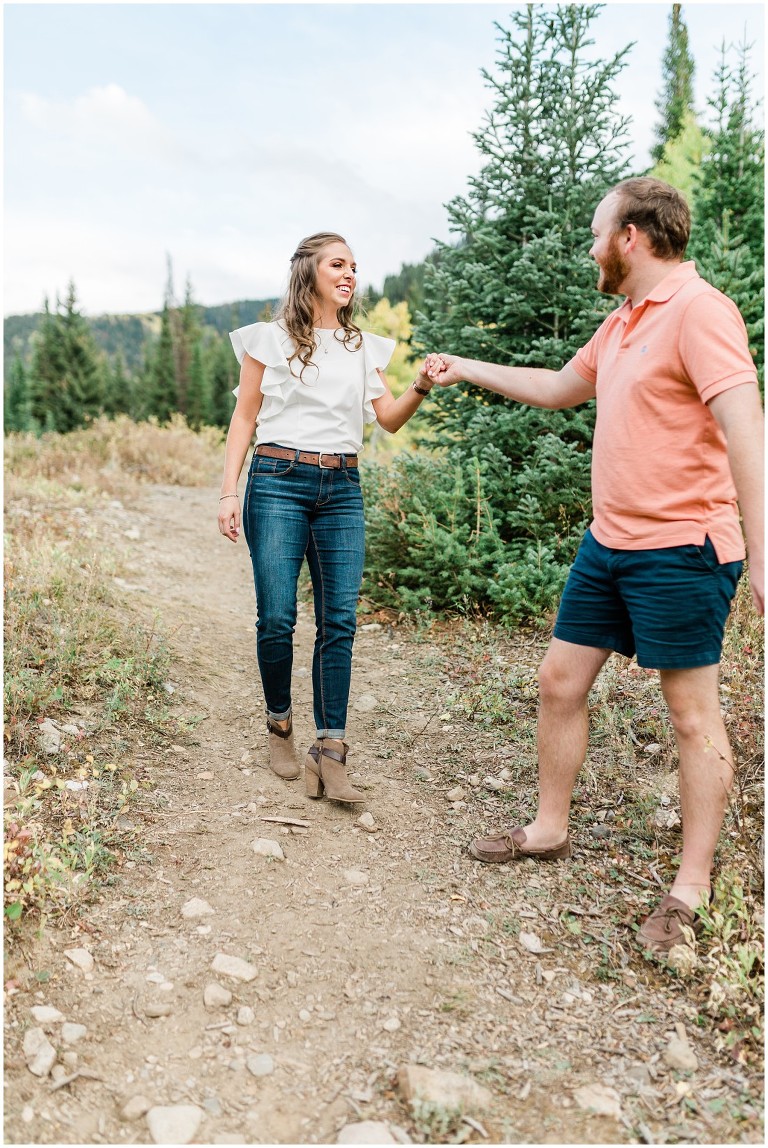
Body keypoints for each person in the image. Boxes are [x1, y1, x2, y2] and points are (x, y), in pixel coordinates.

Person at [424, 177, 764, 955]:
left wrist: (764, 555)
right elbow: (558, 388)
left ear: (630, 238)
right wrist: (466, 367)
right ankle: (549, 828)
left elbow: (747, 430)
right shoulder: (623, 321)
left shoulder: (700, 311)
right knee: (559, 681)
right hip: (608, 544)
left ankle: (690, 888)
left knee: (691, 717)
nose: (588, 247)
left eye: (596, 233)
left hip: (682, 549)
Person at [218, 232, 435, 803]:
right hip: (276, 481)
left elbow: (388, 419)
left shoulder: (361, 347)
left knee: (338, 621)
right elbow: (244, 418)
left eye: (354, 267)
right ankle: (279, 724)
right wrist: (228, 491)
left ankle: (331, 750)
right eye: (338, 264)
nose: (349, 275)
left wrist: (419, 385)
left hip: (341, 487)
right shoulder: (268, 340)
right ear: (308, 272)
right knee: (277, 618)